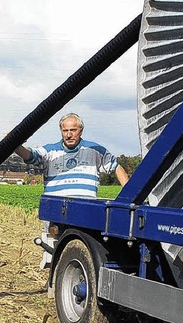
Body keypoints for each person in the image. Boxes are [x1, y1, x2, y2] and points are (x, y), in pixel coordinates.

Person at [14, 112, 129, 270]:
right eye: (65, 131)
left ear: (81, 130)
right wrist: (14, 144)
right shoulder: (50, 152)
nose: (69, 135)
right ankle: (55, 284)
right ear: (61, 131)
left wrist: (129, 196)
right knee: (55, 254)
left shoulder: (94, 150)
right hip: (56, 213)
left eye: (73, 130)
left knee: (84, 252)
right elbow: (30, 156)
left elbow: (116, 167)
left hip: (85, 213)